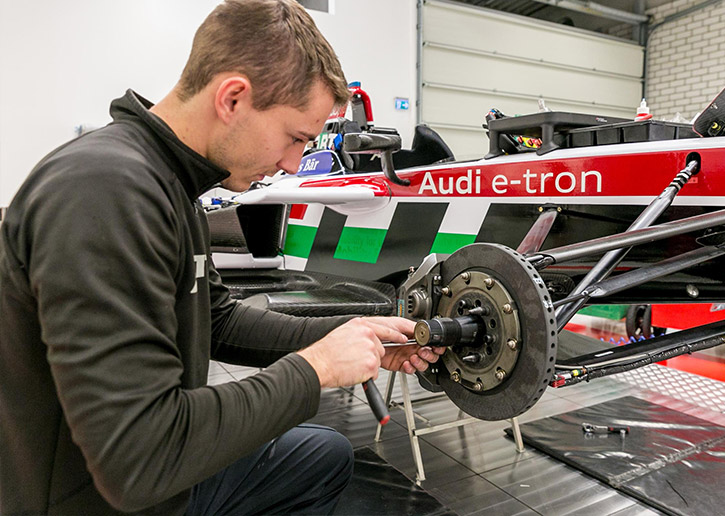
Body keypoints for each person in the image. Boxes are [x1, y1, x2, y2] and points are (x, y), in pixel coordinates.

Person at [0, 1, 442, 514]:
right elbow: (139, 461)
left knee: (324, 454)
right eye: (296, 138)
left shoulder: (170, 182)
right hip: (96, 495)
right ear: (233, 98)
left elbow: (218, 320)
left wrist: (355, 333)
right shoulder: (105, 191)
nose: (292, 164)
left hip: (156, 473)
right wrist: (315, 368)